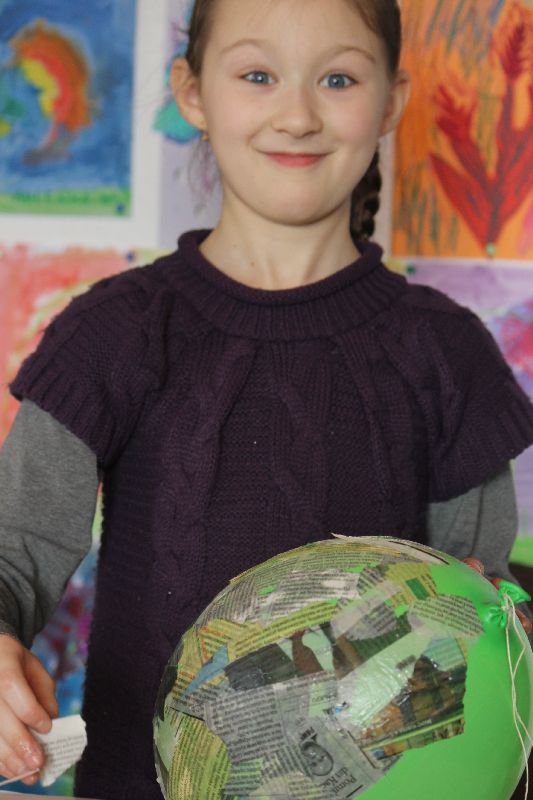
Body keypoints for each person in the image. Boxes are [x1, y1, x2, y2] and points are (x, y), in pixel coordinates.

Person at [0, 0, 532, 797]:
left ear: (390, 101)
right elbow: (15, 550)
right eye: (257, 75)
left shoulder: (446, 353)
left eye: (337, 79)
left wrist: (500, 622)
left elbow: (483, 620)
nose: (297, 114)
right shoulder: (113, 333)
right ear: (192, 93)